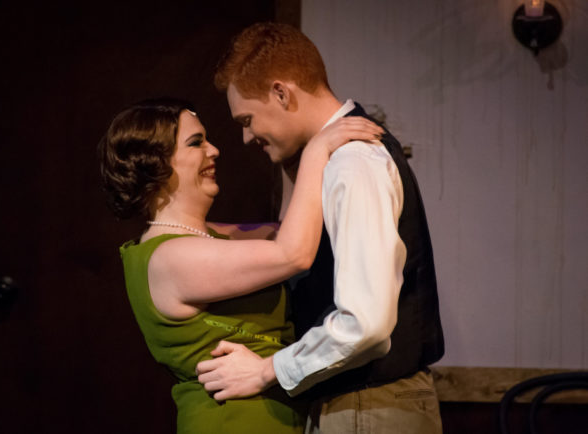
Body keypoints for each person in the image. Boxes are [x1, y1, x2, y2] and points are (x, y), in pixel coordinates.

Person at [195, 23, 445, 434]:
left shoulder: (353, 162)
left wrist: (264, 371)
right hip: (361, 402)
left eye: (247, 119)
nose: (244, 137)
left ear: (281, 92)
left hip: (370, 405)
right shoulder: (328, 158)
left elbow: (365, 324)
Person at [98, 97, 381, 434]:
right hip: (230, 422)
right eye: (196, 143)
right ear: (155, 164)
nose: (214, 150)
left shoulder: (212, 236)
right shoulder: (169, 258)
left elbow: (291, 227)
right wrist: (316, 151)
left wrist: (293, 145)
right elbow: (292, 254)